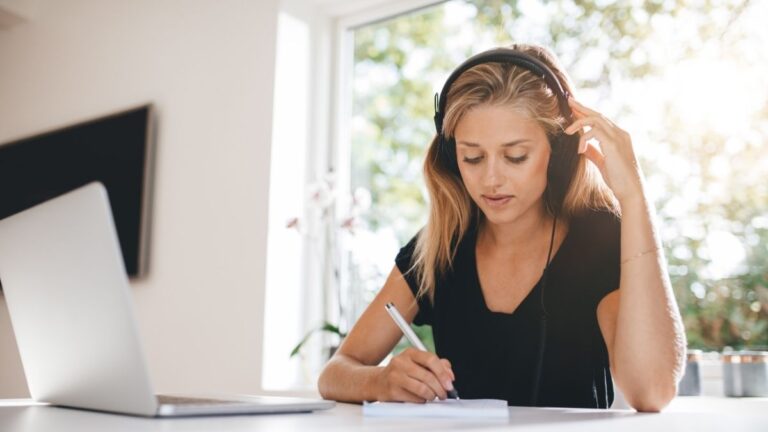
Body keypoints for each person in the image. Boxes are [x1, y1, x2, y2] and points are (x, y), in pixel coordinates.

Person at [317, 43, 686, 412]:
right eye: (472, 157)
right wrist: (381, 380)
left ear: (557, 152)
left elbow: (651, 391)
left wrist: (634, 198)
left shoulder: (597, 240)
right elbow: (336, 372)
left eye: (515, 156)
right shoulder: (439, 247)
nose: (491, 179)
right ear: (451, 157)